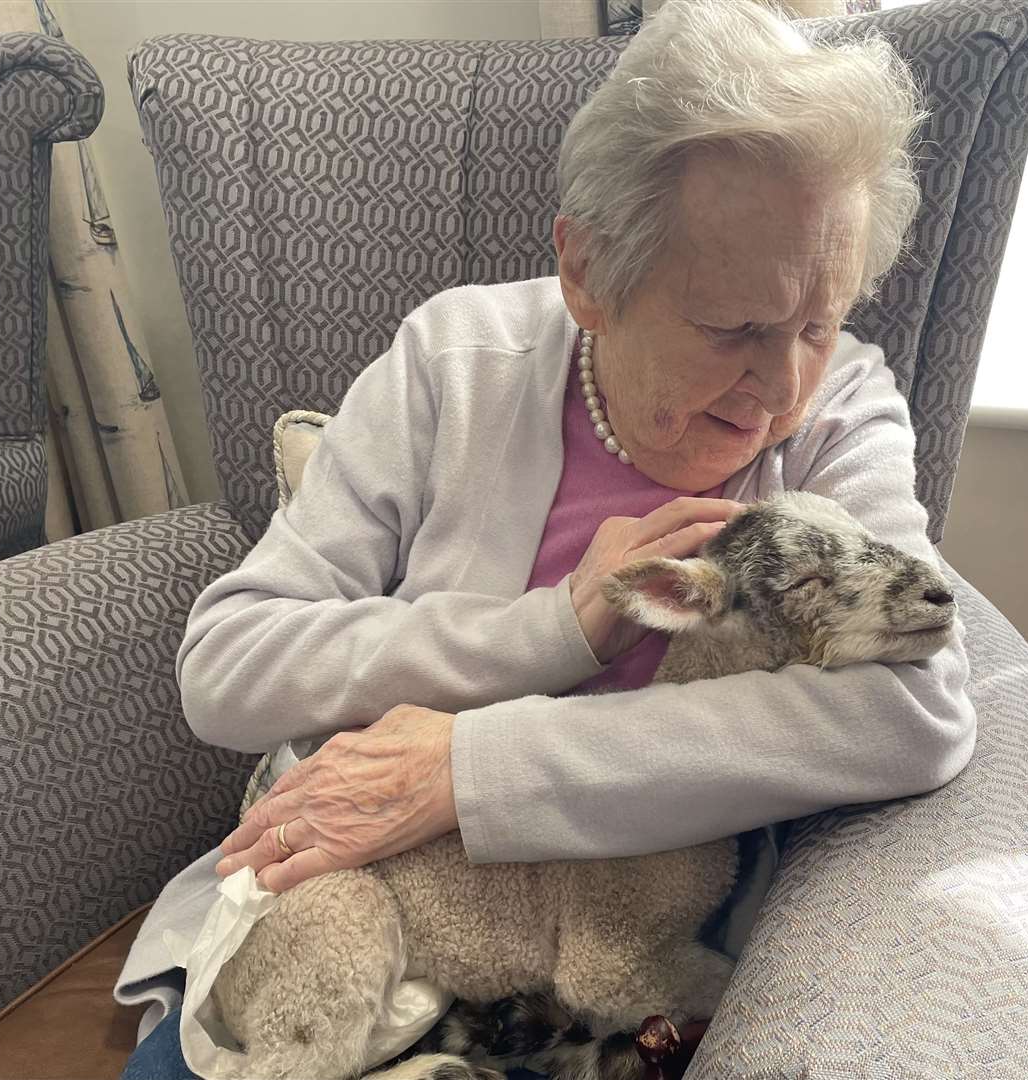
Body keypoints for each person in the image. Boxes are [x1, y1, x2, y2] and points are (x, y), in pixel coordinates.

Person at [116, 1, 975, 1076]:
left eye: (820, 320)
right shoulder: (454, 361)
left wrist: (471, 768)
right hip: (365, 913)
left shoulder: (846, 411)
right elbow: (226, 667)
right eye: (734, 329)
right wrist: (559, 629)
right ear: (588, 274)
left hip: (631, 962)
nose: (781, 389)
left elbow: (921, 707)